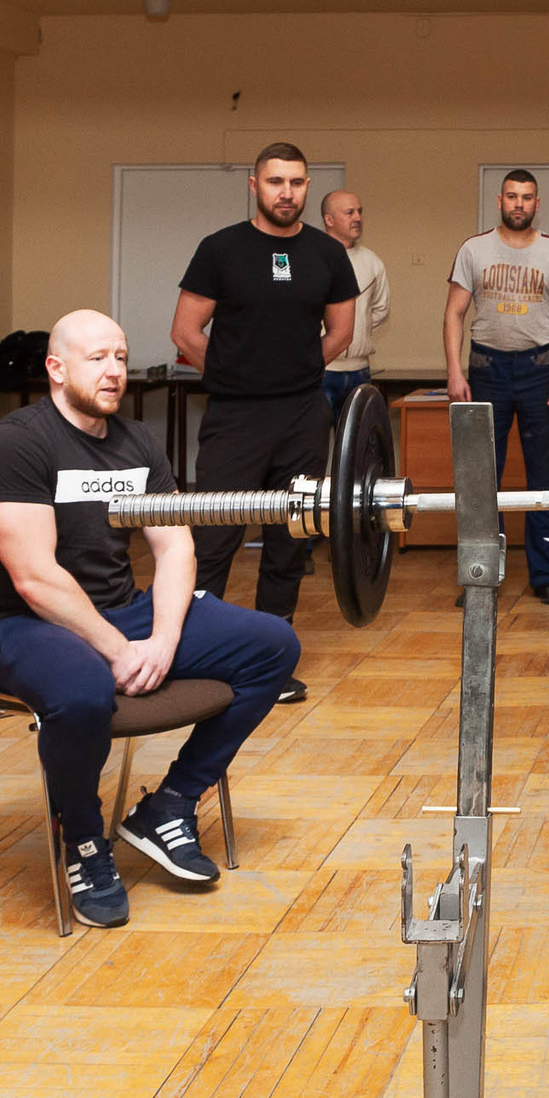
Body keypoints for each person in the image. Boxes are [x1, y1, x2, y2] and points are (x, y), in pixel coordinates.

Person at [0, 311, 300, 928]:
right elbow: (34, 578)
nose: (114, 371)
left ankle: (171, 804)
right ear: (56, 368)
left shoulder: (138, 442)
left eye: (120, 357)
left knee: (272, 645)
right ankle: (84, 841)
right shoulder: (15, 444)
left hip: (124, 610)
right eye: (97, 358)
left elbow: (176, 547)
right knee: (82, 691)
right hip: (29, 625)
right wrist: (119, 650)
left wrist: (162, 638)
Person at [171, 141, 356, 699]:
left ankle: (269, 664)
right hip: (234, 416)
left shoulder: (327, 254)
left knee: (288, 541)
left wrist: (292, 372)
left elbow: (341, 333)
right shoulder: (220, 249)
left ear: (307, 187)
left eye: (296, 182)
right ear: (255, 186)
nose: (286, 192)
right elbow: (185, 332)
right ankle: (196, 657)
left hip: (302, 415)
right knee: (215, 537)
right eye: (275, 182)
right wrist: (236, 376)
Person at [445, 169, 549, 606]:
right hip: (486, 371)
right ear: (499, 201)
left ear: (537, 204)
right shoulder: (473, 249)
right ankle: (481, 575)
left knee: (547, 478)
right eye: (511, 196)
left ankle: (547, 576)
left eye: (526, 197)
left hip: (540, 373)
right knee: (481, 478)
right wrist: (454, 371)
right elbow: (454, 313)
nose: (518, 204)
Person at [318, 189, 389, 426]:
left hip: (359, 371)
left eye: (359, 211)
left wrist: (357, 328)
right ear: (329, 219)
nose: (357, 217)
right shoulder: (311, 257)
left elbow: (380, 310)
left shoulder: (372, 262)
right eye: (349, 212)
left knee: (358, 442)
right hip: (320, 370)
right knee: (313, 440)